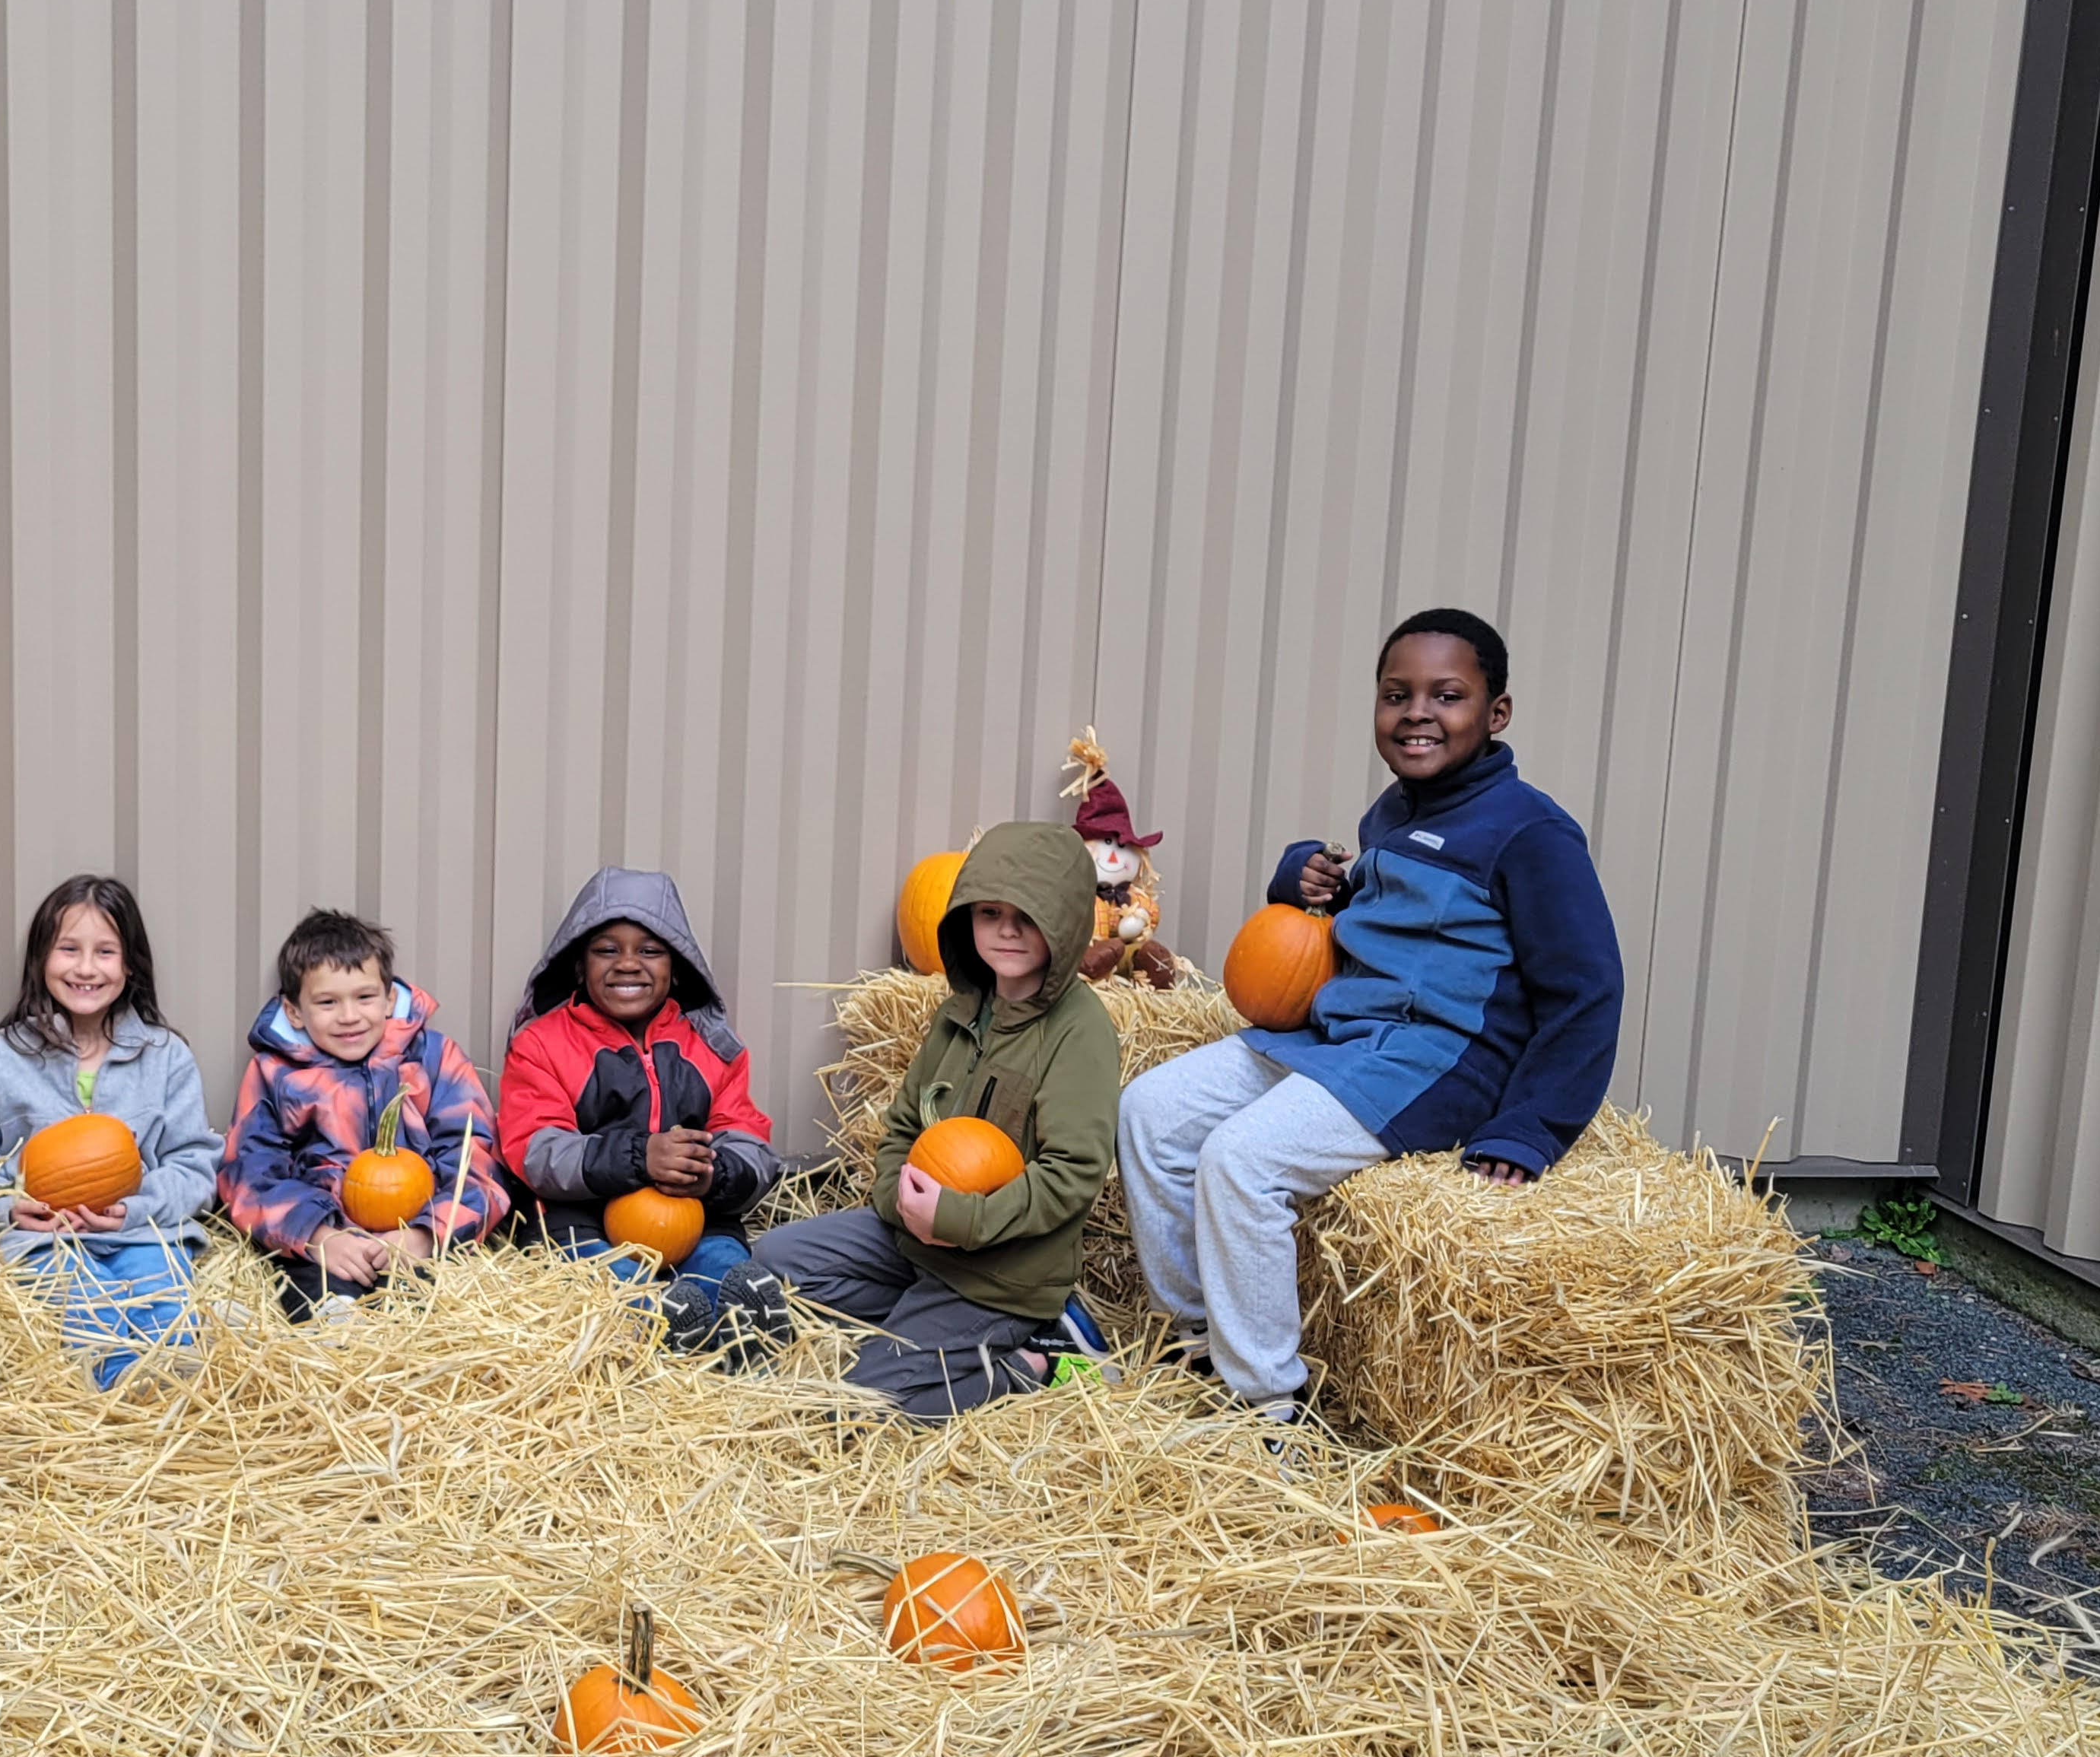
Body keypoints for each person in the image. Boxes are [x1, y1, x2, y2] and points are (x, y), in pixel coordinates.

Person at [1117, 607, 1623, 1428]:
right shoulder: (1393, 812)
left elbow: (1588, 989)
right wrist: (1302, 880)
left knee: (1243, 1160)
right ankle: (1202, 1342)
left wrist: (1530, 1128)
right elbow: (1387, 914)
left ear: (1496, 714)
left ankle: (1262, 1407)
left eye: (1447, 695)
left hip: (1435, 1058)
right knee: (1150, 1112)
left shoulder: (1531, 834)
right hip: (1339, 1033)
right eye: (1397, 694)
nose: (1417, 713)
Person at [730, 822, 1120, 1415]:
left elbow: (1072, 1175)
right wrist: (899, 1201)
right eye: (990, 912)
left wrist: (960, 1218)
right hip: (916, 1242)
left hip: (1000, 1275)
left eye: (1028, 916)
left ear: (1065, 924)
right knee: (774, 1264)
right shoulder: (961, 1011)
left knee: (864, 1407)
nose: (1006, 930)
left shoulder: (1079, 1030)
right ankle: (926, 1329)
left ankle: (1028, 1361)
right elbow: (905, 1124)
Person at [0, 874, 223, 1388]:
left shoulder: (165, 1057)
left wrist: (136, 1208)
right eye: (69, 949)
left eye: (105, 952)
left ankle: (167, 1411)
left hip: (143, 1234)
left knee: (165, 1311)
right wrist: (5, 1208)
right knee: (87, 1312)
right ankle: (109, 1422)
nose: (86, 968)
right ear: (42, 959)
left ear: (130, 963)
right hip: (45, 1242)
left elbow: (193, 1163)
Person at [497, 869, 777, 1347]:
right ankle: (656, 1322)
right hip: (579, 1223)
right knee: (612, 1286)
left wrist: (712, 1174)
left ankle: (737, 1334)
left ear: (677, 966)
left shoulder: (714, 1047)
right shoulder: (541, 1044)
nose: (628, 964)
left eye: (649, 950)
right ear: (578, 967)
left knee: (724, 1267)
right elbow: (536, 1150)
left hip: (694, 1218)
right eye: (607, 950)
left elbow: (750, 1142)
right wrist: (639, 1156)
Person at [218, 908, 506, 1317]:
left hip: (415, 1238)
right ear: (295, 1012)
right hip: (323, 1241)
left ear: (389, 999)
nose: (349, 1016)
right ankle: (333, 1328)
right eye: (327, 1002)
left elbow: (476, 1159)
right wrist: (317, 1236)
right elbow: (249, 1171)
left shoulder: (434, 1059)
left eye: (364, 997)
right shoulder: (276, 1073)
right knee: (322, 1303)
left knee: (419, 1313)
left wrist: (428, 1234)